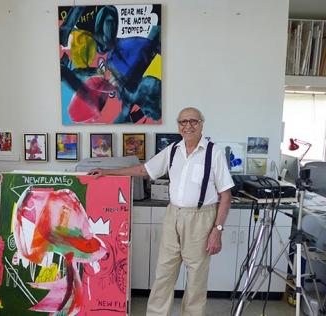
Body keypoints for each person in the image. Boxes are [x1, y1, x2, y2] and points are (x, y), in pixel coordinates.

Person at [88, 107, 234, 316]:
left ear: (201, 124)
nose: (188, 125)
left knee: (196, 278)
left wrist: (217, 230)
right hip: (173, 215)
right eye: (183, 122)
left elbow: (226, 195)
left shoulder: (214, 153)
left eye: (193, 121)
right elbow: (143, 170)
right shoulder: (173, 150)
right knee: (163, 274)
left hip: (201, 218)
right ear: (178, 126)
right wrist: (107, 172)